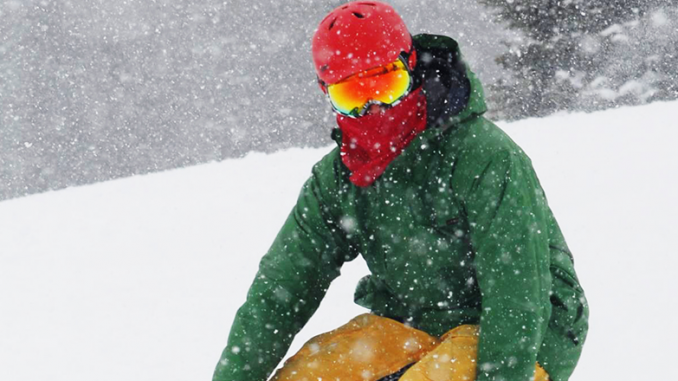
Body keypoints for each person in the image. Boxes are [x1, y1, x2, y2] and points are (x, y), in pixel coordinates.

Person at [213, 1, 589, 381]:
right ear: (326, 94)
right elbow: (282, 288)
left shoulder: (483, 156)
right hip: (415, 321)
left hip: (531, 330)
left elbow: (518, 292)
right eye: (352, 97)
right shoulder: (339, 178)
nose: (375, 108)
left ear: (412, 67)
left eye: (385, 84)